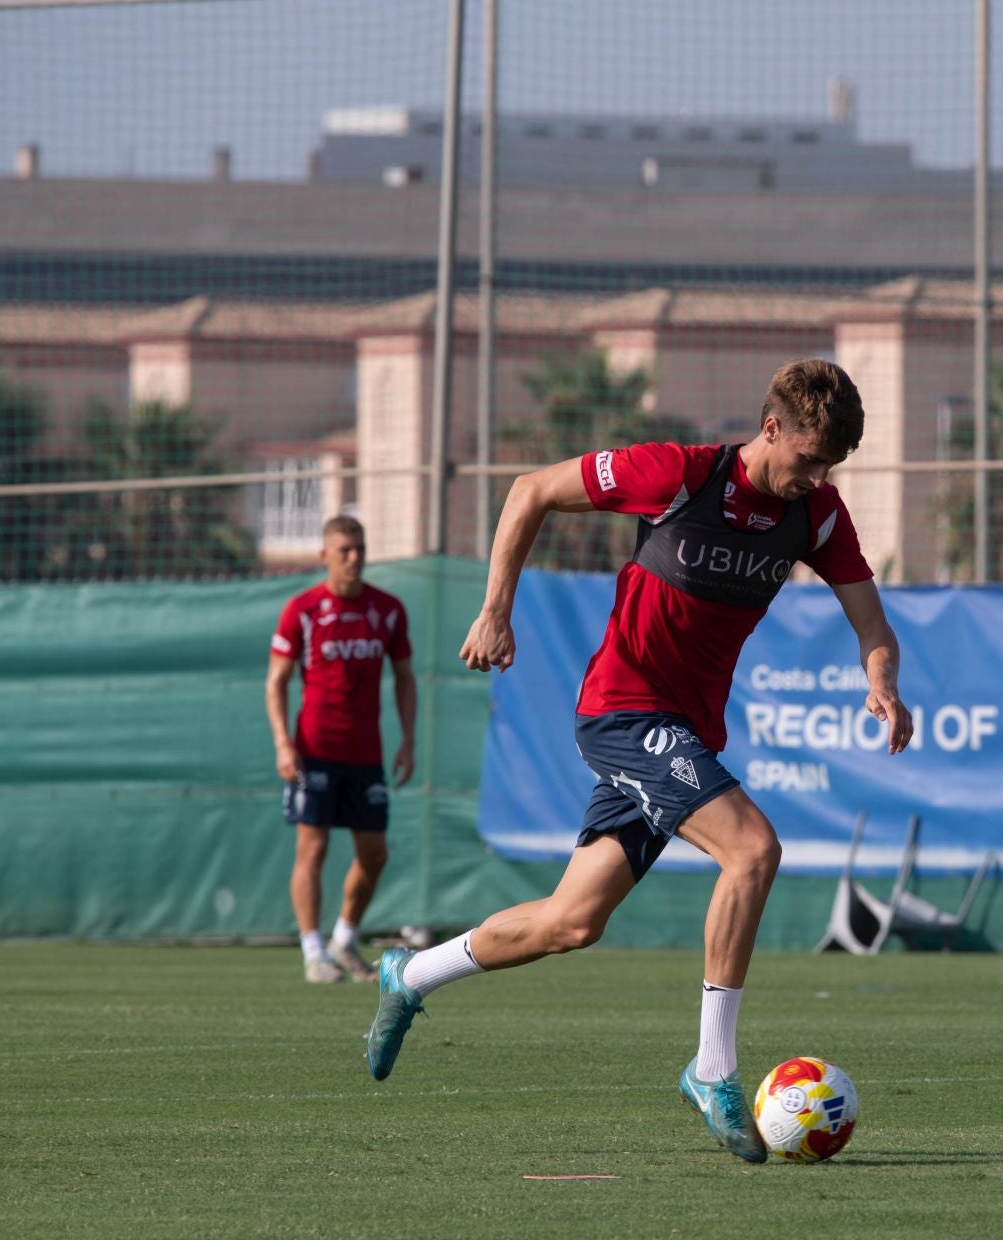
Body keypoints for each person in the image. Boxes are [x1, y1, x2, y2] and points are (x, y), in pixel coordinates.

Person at [361, 358, 913, 1164]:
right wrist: (495, 611)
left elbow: (873, 624)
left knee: (571, 922)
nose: (816, 478)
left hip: (686, 733)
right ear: (771, 429)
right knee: (753, 849)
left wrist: (884, 686)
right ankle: (713, 1067)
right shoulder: (680, 474)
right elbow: (529, 490)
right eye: (807, 460)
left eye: (830, 466)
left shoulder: (819, 517)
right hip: (624, 710)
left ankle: (409, 977)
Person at [265, 515, 416, 984]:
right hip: (315, 750)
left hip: (366, 753)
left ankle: (344, 940)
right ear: (324, 555)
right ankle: (314, 953)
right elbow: (277, 682)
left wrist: (408, 740)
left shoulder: (387, 610)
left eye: (360, 549)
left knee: (375, 854)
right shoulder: (303, 610)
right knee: (312, 848)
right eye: (344, 550)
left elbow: (405, 678)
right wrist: (283, 744)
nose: (354, 558)